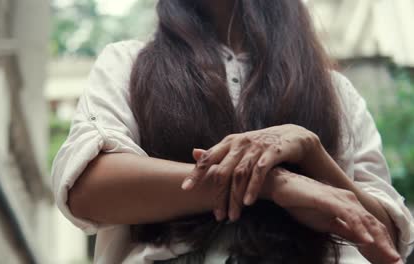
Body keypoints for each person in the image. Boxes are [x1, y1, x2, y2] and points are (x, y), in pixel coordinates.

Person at [51, 0, 414, 263]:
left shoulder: (336, 92)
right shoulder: (126, 64)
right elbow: (87, 189)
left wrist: (313, 154)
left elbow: (388, 244)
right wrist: (274, 184)